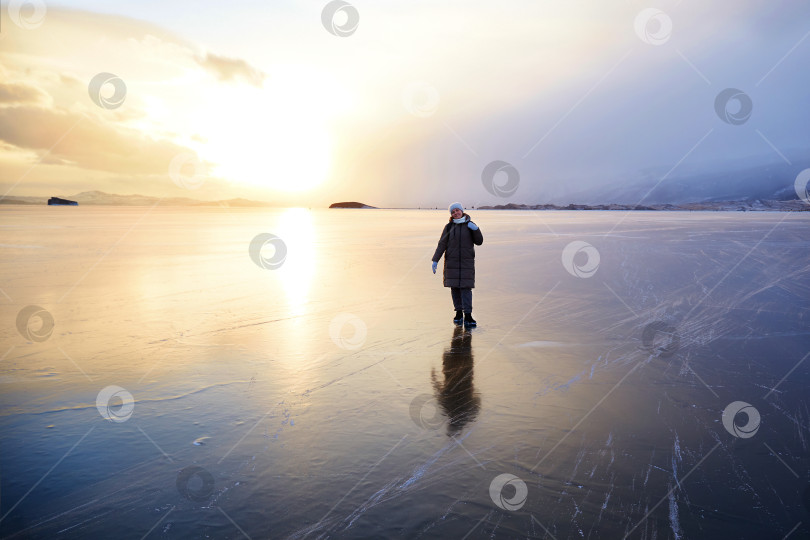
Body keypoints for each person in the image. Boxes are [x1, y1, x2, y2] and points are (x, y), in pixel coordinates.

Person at [431, 202, 483, 327]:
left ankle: (468, 315)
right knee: (455, 288)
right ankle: (459, 313)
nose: (455, 213)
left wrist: (476, 230)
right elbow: (442, 244)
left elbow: (479, 241)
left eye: (457, 211)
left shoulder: (470, 225)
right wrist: (435, 260)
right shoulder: (448, 227)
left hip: (466, 263)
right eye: (453, 212)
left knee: (466, 289)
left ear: (462, 211)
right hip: (452, 263)